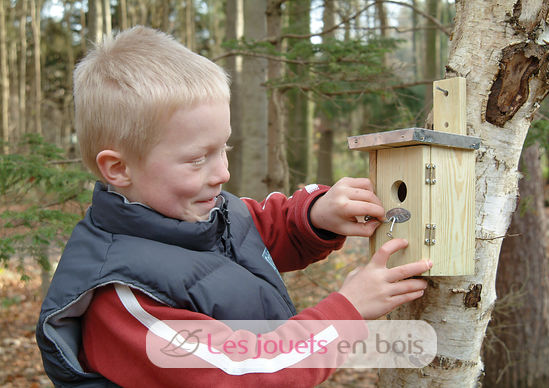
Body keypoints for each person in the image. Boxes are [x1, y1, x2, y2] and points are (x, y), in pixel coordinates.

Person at [36, 26, 431, 388]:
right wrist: (347, 311)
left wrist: (316, 215)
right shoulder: (124, 297)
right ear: (119, 168)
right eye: (197, 159)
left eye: (223, 148)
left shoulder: (199, 213)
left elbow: (253, 230)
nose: (223, 172)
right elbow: (243, 372)